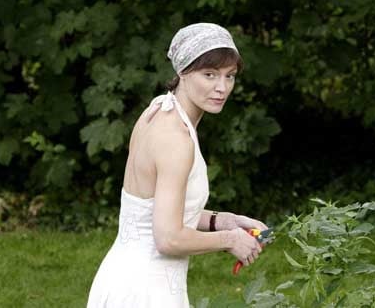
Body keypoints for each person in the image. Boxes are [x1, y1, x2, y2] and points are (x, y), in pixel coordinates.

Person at [86, 23, 268, 308]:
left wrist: (222, 220)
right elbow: (168, 238)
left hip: (121, 279)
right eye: (209, 75)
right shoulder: (176, 139)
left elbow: (155, 212)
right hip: (146, 291)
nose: (222, 88)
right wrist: (230, 239)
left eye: (229, 76)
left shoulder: (157, 110)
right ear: (183, 71)